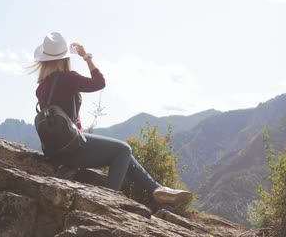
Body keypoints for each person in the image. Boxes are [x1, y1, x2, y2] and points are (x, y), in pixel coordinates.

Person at [31, 32, 192, 205]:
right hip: (73, 148)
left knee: (124, 155)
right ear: (65, 57)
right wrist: (86, 57)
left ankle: (158, 189)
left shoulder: (42, 86)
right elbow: (99, 82)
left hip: (54, 152)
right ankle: (109, 199)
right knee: (123, 150)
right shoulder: (68, 78)